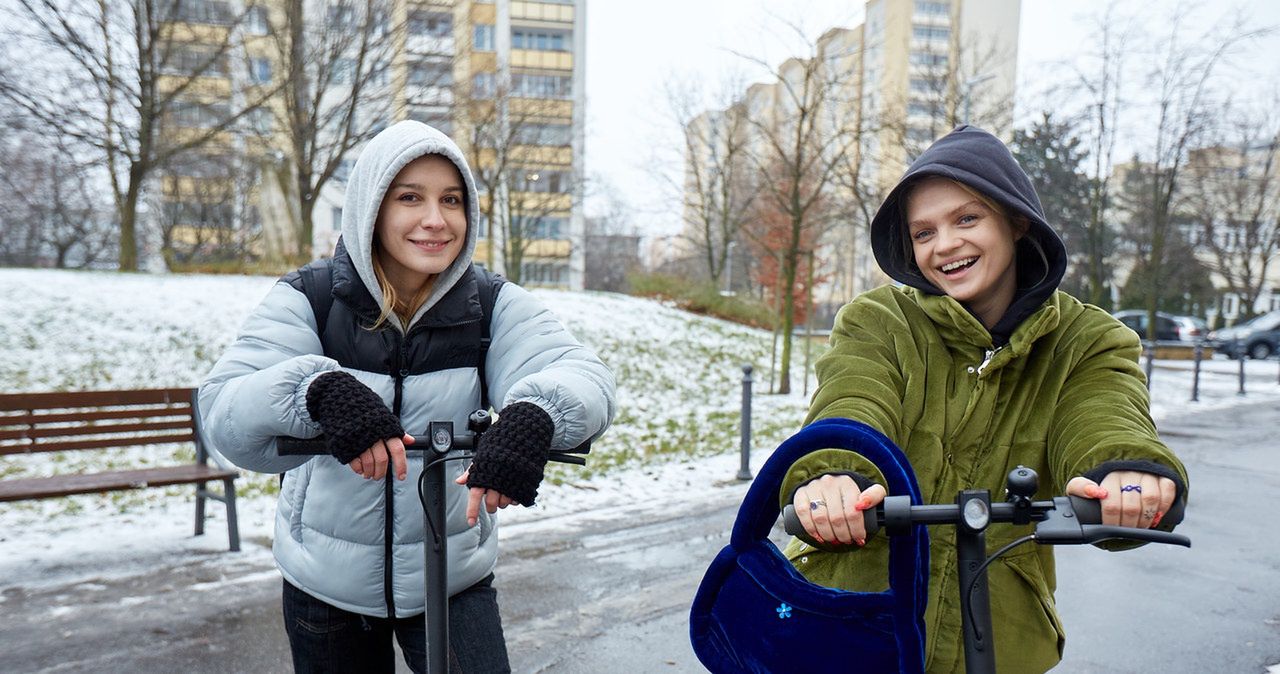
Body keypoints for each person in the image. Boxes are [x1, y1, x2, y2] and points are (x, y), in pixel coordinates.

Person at [199, 120, 616, 673]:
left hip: (452, 581)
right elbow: (225, 410)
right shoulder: (312, 297)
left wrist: (536, 413)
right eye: (410, 198)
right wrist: (315, 390)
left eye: (451, 200)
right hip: (325, 585)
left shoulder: (490, 303)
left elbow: (581, 373)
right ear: (372, 208)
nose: (435, 220)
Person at [781, 125, 1188, 673]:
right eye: (923, 233)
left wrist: (1125, 474)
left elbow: (1104, 413)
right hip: (855, 621)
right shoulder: (879, 321)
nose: (944, 245)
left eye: (966, 219)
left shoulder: (1089, 340)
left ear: (1016, 220)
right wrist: (834, 476)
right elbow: (851, 402)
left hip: (1001, 631)